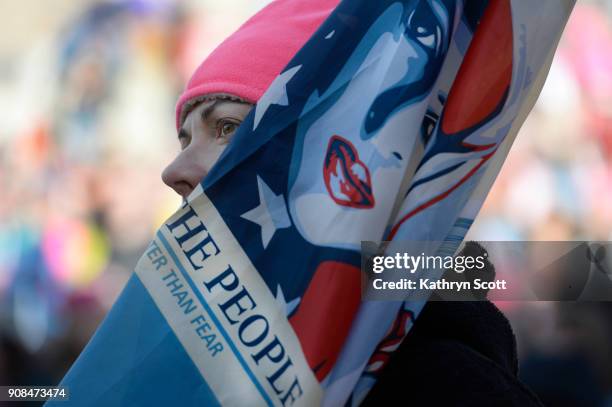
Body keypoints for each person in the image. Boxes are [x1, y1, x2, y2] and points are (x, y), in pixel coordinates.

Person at [162, 0, 543, 405]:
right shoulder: (184, 355)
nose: (173, 171)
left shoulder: (457, 387)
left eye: (226, 128)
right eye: (184, 138)